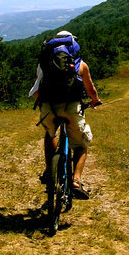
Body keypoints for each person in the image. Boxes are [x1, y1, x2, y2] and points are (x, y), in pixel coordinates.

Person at [30, 30, 101, 199]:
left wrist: (42, 104)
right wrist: (94, 101)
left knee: (50, 134)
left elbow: (36, 88)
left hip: (49, 107)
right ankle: (76, 181)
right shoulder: (80, 64)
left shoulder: (44, 64)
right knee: (81, 145)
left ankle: (49, 172)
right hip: (71, 107)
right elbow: (91, 90)